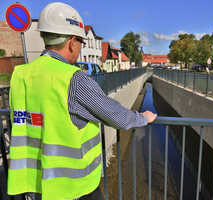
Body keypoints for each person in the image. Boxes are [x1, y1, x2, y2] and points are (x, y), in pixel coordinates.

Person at [7, 2, 157, 200]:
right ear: (72, 42)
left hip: (33, 184)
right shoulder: (73, 79)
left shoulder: (20, 74)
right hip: (71, 188)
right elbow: (113, 114)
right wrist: (142, 118)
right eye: (81, 42)